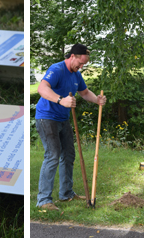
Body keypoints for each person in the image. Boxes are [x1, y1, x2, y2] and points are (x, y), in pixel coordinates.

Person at [35, 44, 106, 211]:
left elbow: (84, 92)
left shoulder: (76, 74)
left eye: (84, 65)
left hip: (63, 118)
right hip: (47, 117)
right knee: (52, 155)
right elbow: (42, 88)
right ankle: (43, 200)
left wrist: (97, 100)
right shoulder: (57, 69)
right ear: (72, 56)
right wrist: (61, 100)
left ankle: (66, 193)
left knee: (68, 155)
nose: (81, 67)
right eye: (80, 63)